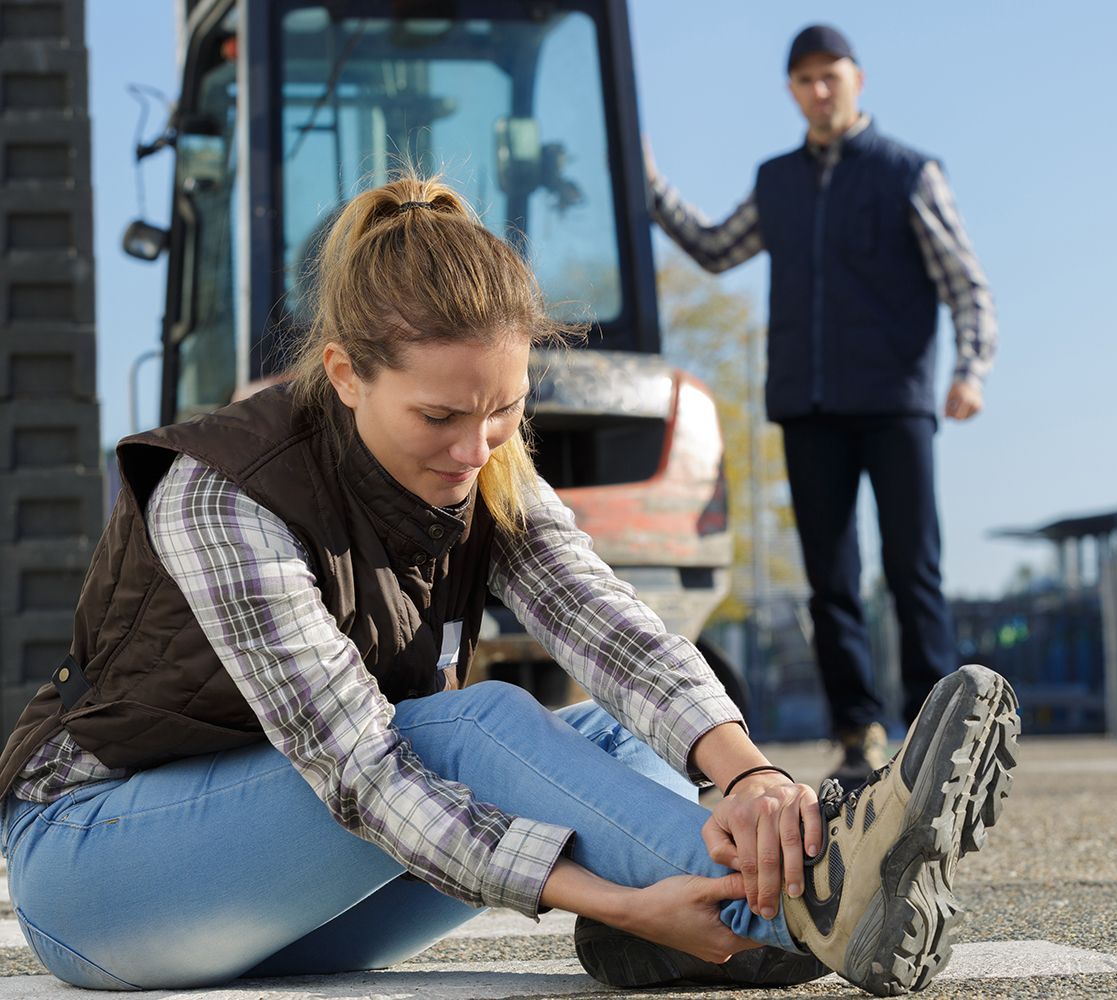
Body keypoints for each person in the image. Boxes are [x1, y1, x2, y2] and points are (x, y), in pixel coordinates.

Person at [0, 175, 1018, 996]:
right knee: (465, 727)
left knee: (614, 740)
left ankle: (723, 915)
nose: (474, 446)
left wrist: (748, 776)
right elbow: (364, 771)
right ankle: (801, 899)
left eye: (503, 410)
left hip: (289, 895)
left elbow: (609, 629)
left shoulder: (486, 468)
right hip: (101, 881)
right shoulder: (222, 492)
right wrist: (609, 897)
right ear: (346, 373)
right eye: (440, 416)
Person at [647, 24, 999, 788]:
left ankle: (942, 731)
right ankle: (856, 733)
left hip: (896, 403)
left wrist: (971, 369)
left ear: (856, 80)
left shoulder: (909, 173)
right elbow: (715, 248)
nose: (818, 90)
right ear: (791, 91)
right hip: (808, 407)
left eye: (829, 76)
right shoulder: (777, 182)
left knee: (912, 570)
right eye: (804, 80)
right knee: (831, 582)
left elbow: (965, 283)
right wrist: (647, 183)